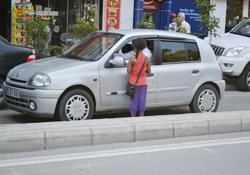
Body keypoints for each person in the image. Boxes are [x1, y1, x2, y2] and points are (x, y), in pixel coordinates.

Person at [127, 38, 151, 117]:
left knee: (133, 101)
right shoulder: (146, 58)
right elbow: (149, 71)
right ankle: (141, 116)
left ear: (135, 47)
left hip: (133, 83)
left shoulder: (132, 58)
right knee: (142, 100)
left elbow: (128, 71)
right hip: (143, 83)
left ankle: (132, 116)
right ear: (144, 47)